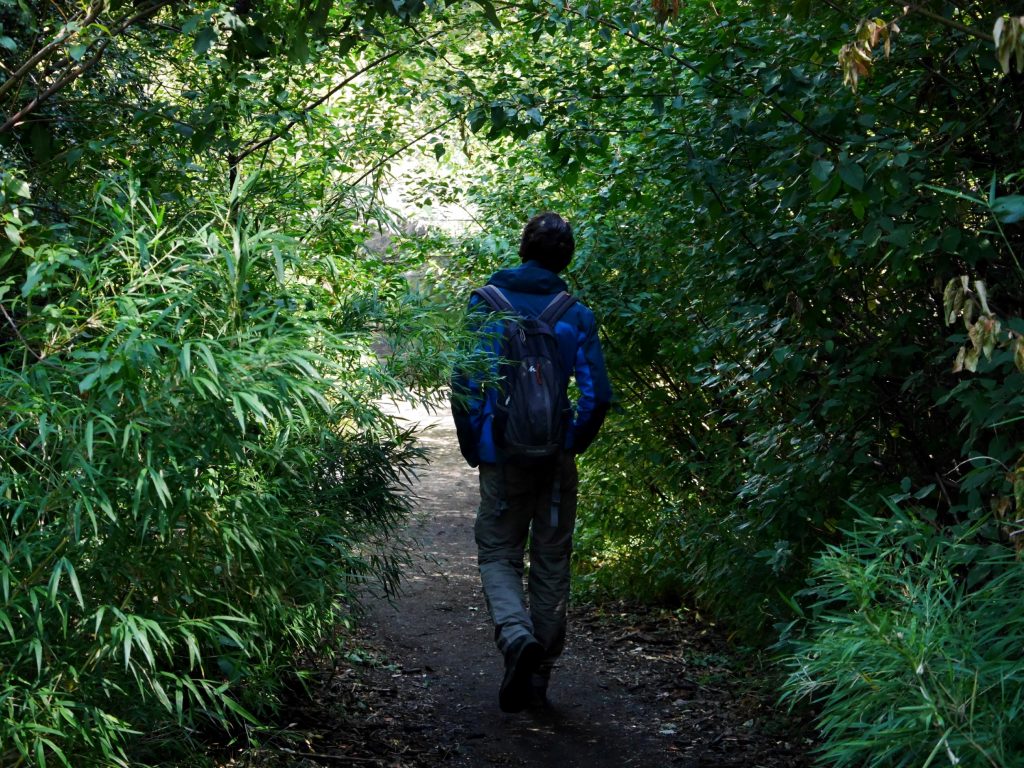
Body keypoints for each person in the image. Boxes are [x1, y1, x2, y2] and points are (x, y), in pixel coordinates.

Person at [451, 212, 612, 713]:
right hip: (555, 457)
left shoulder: (487, 305)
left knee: (498, 552)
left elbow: (465, 384)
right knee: (551, 558)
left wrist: (475, 446)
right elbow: (597, 395)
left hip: (505, 456)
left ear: (522, 249)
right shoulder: (574, 313)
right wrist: (573, 442)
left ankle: (517, 636)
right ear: (566, 257)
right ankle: (539, 676)